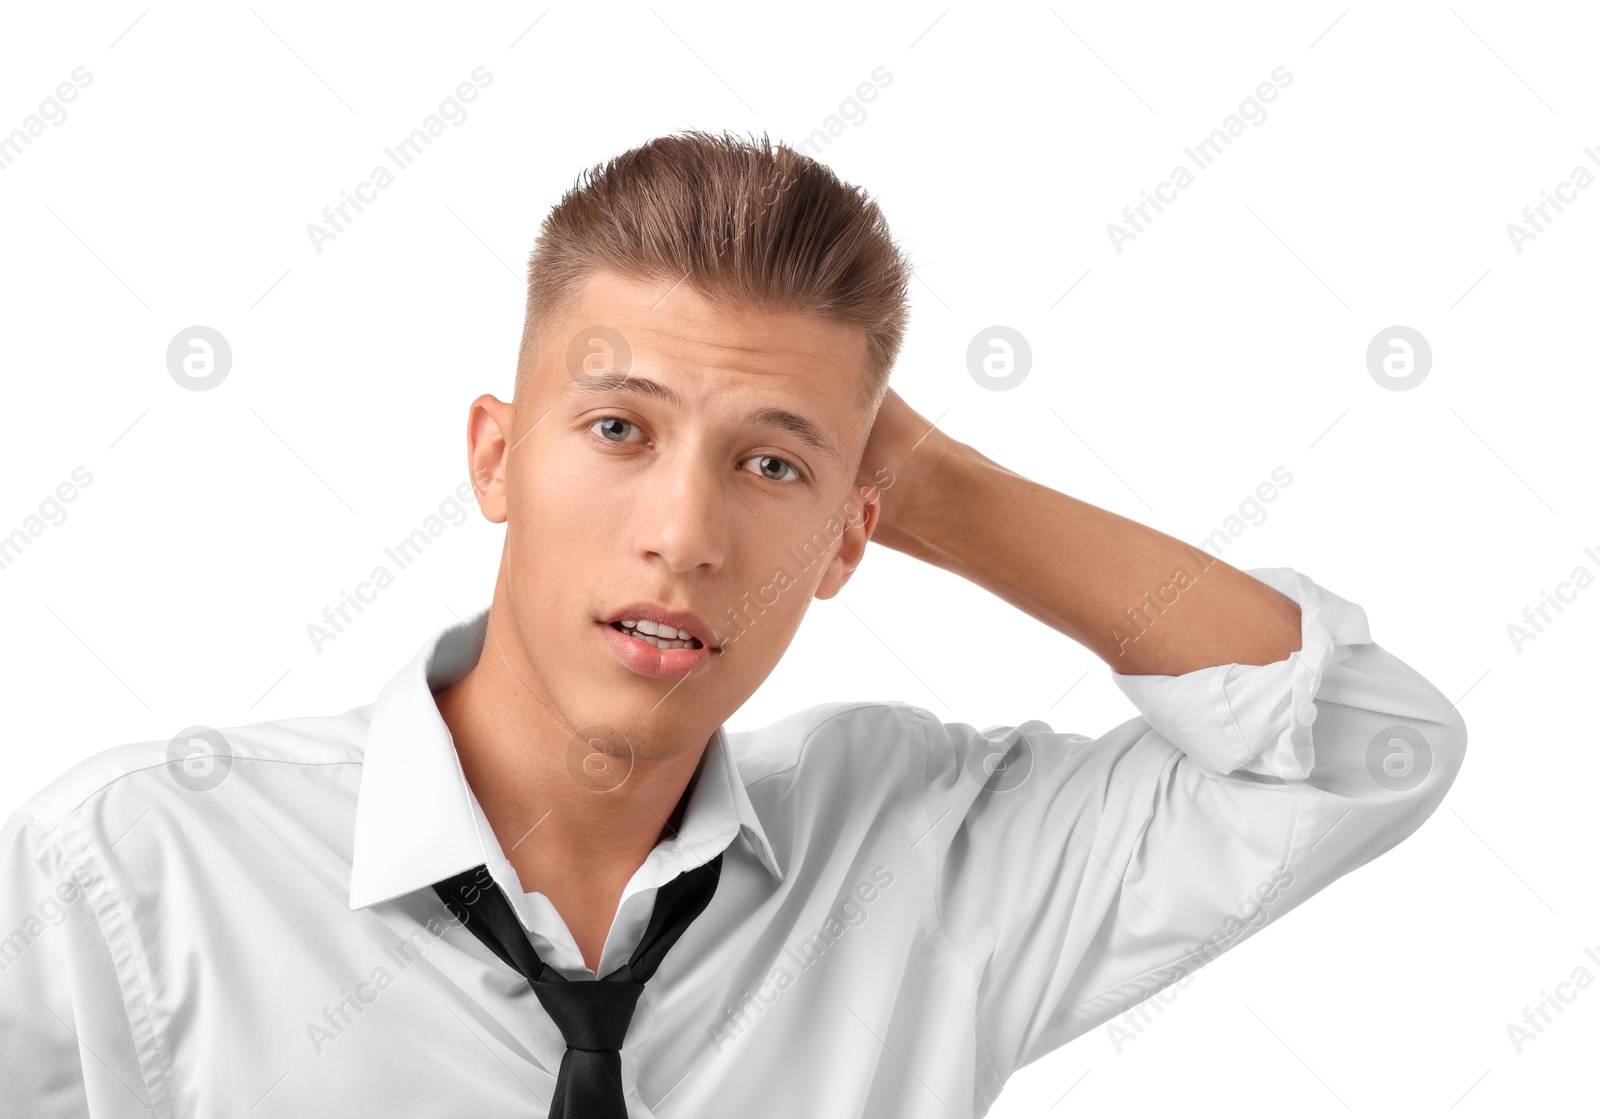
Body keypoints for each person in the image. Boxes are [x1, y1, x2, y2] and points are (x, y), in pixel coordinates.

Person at [0, 130, 1466, 1117]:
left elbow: (1362, 748)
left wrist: (941, 488)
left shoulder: (922, 863)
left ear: (846, 540)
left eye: (771, 467)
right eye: (620, 429)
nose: (687, 537)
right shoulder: (139, 870)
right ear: (496, 457)